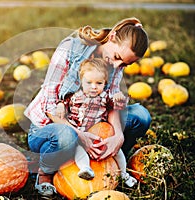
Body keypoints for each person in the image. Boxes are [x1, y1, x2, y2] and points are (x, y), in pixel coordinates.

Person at [25, 17, 151, 196]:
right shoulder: (71, 47)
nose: (117, 65)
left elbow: (112, 104)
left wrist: (118, 135)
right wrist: (79, 135)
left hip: (89, 122)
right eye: (117, 58)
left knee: (140, 116)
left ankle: (109, 163)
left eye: (124, 64)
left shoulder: (116, 62)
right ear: (112, 37)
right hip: (53, 127)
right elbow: (50, 104)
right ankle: (44, 172)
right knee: (66, 137)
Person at [48, 58, 137, 187]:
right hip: (80, 134)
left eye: (99, 83)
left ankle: (123, 174)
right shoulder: (75, 96)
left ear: (105, 83)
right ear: (81, 82)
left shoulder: (105, 97)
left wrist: (120, 99)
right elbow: (62, 102)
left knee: (118, 152)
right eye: (89, 82)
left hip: (98, 134)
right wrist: (61, 105)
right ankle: (85, 169)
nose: (94, 87)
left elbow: (116, 106)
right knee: (78, 150)